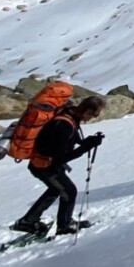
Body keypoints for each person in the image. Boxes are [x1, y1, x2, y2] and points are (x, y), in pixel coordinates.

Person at [12, 95, 106, 234]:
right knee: (69, 191)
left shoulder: (70, 116)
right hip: (45, 166)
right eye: (95, 114)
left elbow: (72, 142)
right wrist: (85, 147)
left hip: (43, 163)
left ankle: (29, 221)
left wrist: (89, 142)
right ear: (87, 111)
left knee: (57, 189)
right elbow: (60, 157)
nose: (94, 117)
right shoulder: (64, 125)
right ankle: (63, 226)